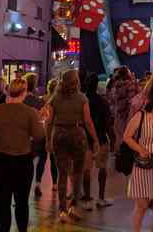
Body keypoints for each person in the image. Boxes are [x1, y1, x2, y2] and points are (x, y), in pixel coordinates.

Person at [0, 77, 43, 232]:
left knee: (2, 203)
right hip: (22, 161)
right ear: (24, 93)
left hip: (0, 161)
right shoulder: (30, 113)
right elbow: (38, 136)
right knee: (22, 202)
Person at [48, 69, 99, 221]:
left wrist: (47, 140)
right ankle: (73, 207)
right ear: (76, 81)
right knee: (78, 173)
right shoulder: (82, 98)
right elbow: (88, 122)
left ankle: (62, 210)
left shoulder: (55, 98)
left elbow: (49, 121)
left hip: (59, 134)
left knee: (62, 173)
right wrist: (95, 139)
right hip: (78, 134)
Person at [122, 86, 153, 232]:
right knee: (141, 205)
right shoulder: (141, 116)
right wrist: (141, 150)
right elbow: (127, 136)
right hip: (143, 164)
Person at [83, 73, 113, 207]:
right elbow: (108, 123)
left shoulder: (82, 100)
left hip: (85, 139)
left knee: (86, 169)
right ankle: (101, 198)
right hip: (101, 138)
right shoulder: (103, 102)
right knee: (102, 167)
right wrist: (112, 138)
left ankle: (87, 197)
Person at [109, 67, 138, 152]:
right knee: (128, 138)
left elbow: (112, 100)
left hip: (118, 115)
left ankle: (119, 157)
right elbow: (132, 102)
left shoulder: (115, 87)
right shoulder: (130, 85)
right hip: (128, 116)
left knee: (119, 137)